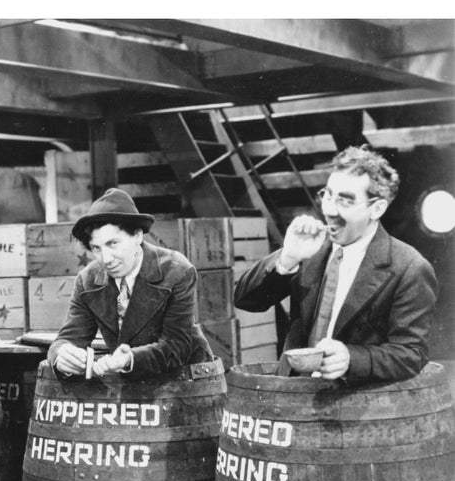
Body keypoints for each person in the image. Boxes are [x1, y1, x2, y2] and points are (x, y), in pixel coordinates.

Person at [234, 145, 438, 383]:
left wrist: (352, 359)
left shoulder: (409, 267)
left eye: (345, 200)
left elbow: (411, 355)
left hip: (351, 407)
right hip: (292, 397)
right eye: (328, 195)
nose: (329, 209)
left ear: (377, 208)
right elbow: (245, 300)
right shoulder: (310, 248)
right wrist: (287, 257)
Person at [49, 188, 213, 379]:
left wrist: (130, 359)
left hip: (188, 381)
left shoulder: (177, 271)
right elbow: (68, 338)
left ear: (137, 236)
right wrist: (62, 356)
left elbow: (177, 346)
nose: (106, 259)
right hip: (131, 386)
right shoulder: (87, 281)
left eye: (113, 243)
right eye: (96, 248)